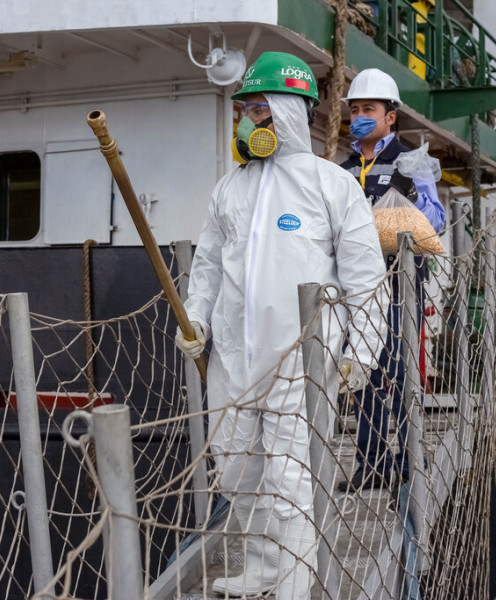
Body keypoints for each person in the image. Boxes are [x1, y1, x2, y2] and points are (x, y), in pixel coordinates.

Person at [174, 51, 388, 599]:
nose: (246, 121)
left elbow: (366, 277)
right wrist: (196, 317)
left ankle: (295, 582)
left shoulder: (331, 186)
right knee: (239, 474)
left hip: (301, 359)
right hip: (233, 363)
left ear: (289, 113)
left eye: (258, 109)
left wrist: (360, 352)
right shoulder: (230, 189)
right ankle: (265, 569)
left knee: (292, 479)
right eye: (243, 110)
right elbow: (207, 267)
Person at [337, 68, 445, 493]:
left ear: (390, 116)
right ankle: (372, 462)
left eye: (369, 109)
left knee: (398, 371)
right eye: (355, 109)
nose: (360, 115)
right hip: (355, 286)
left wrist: (412, 196)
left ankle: (407, 458)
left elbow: (433, 223)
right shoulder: (340, 170)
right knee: (360, 371)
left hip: (400, 283)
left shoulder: (409, 162)